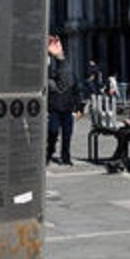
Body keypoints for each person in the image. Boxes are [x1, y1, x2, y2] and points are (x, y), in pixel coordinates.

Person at [47, 34, 78, 165]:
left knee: (67, 134)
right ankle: (49, 151)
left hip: (67, 108)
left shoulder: (68, 77)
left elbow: (75, 90)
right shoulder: (50, 80)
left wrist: (78, 108)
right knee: (53, 132)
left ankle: (66, 156)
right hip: (54, 109)